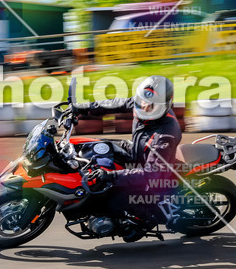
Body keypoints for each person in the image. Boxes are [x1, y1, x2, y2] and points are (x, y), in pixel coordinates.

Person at [71, 75, 182, 239]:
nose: (143, 106)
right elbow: (116, 104)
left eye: (150, 106)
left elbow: (151, 174)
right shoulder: (143, 103)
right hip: (139, 153)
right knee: (101, 147)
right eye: (141, 101)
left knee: (112, 201)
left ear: (163, 106)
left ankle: (140, 222)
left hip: (153, 178)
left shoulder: (165, 135)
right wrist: (84, 108)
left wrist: (110, 175)